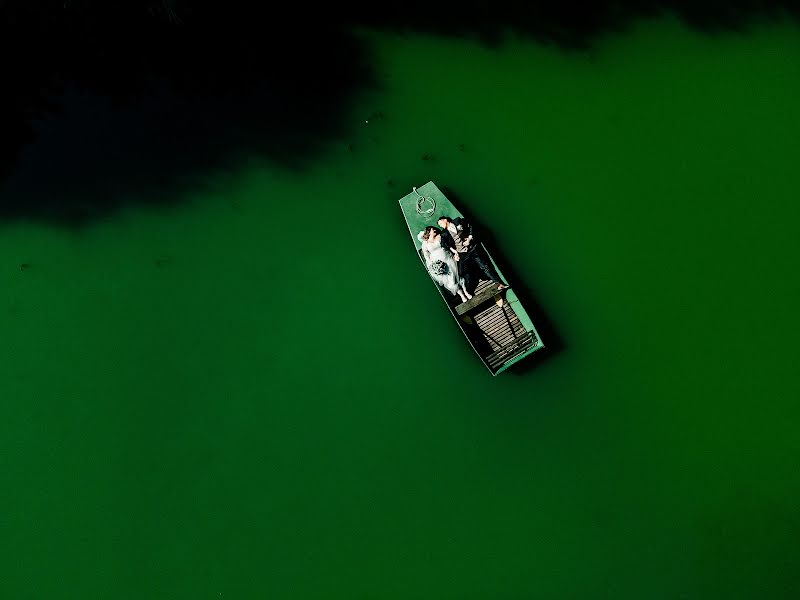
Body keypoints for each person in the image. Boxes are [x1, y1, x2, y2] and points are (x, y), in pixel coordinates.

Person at [437, 215, 507, 290]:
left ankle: (499, 283)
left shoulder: (458, 221)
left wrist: (470, 237)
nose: (441, 225)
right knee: (462, 272)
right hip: (462, 253)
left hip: (472, 248)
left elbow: (471, 224)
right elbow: (444, 244)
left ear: (445, 220)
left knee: (484, 266)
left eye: (440, 223)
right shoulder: (444, 233)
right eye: (439, 225)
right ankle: (471, 288)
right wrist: (455, 252)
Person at [418, 226, 472, 303]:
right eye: (433, 230)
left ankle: (466, 292)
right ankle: (462, 295)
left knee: (458, 276)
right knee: (451, 282)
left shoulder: (439, 237)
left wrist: (455, 253)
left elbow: (447, 246)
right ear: (429, 232)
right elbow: (426, 255)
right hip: (440, 264)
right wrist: (431, 264)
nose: (434, 230)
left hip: (448, 259)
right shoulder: (425, 243)